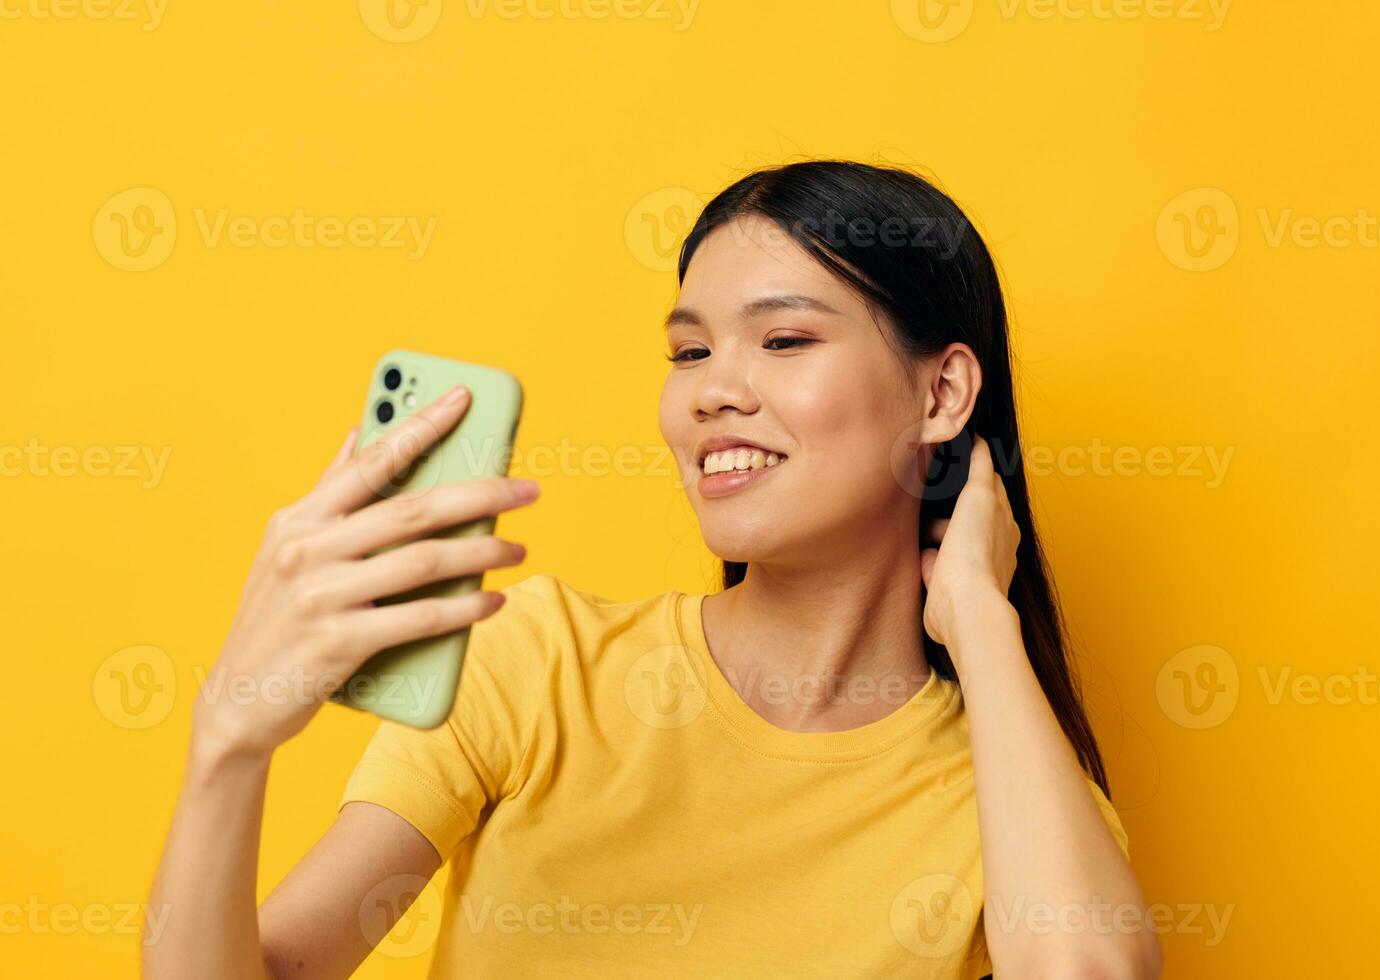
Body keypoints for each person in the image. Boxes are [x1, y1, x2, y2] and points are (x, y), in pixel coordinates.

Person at [144, 160, 1161, 979]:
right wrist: (229, 735)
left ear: (942, 395)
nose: (714, 391)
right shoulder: (536, 661)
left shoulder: (1007, 788)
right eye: (688, 353)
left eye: (784, 338)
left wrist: (980, 618)